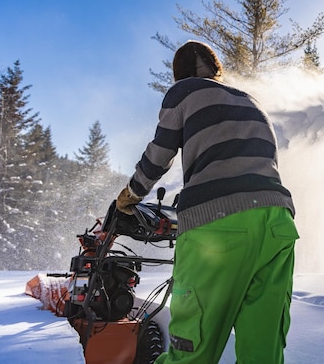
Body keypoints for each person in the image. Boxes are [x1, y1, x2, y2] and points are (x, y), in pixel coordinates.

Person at [116, 40, 298, 364]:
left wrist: (130, 196)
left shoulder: (183, 91)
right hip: (278, 226)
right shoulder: (250, 100)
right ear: (216, 69)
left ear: (180, 74)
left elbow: (159, 155)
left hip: (217, 231)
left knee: (191, 353)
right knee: (264, 353)